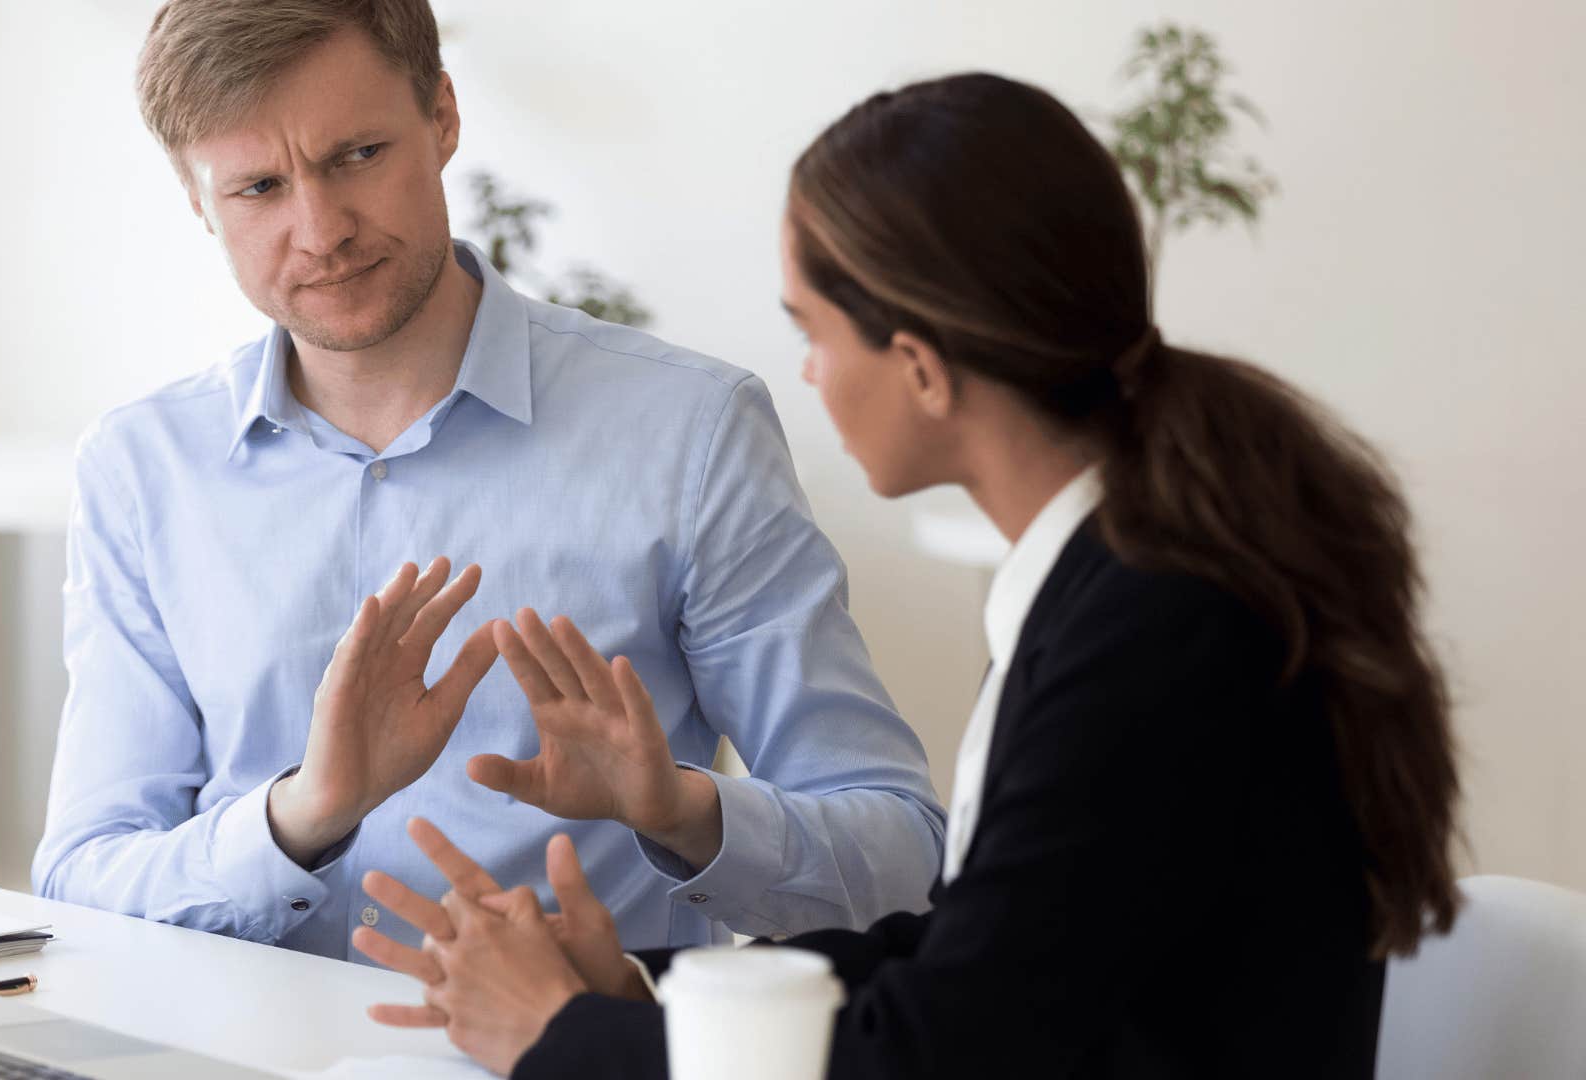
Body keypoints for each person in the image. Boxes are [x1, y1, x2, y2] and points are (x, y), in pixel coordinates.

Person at [355, 72, 1463, 1079]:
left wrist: (566, 1039)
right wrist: (646, 990)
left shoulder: (1154, 630)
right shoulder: (1127, 584)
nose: (805, 370)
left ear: (922, 369)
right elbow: (973, 954)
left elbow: (945, 1053)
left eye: (814, 330)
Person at [30, 0, 949, 966]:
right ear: (196, 200)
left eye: (357, 155)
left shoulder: (691, 431)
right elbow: (83, 879)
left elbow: (899, 858)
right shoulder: (140, 471)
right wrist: (305, 812)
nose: (321, 230)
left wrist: (678, 808)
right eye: (259, 187)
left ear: (443, 118)